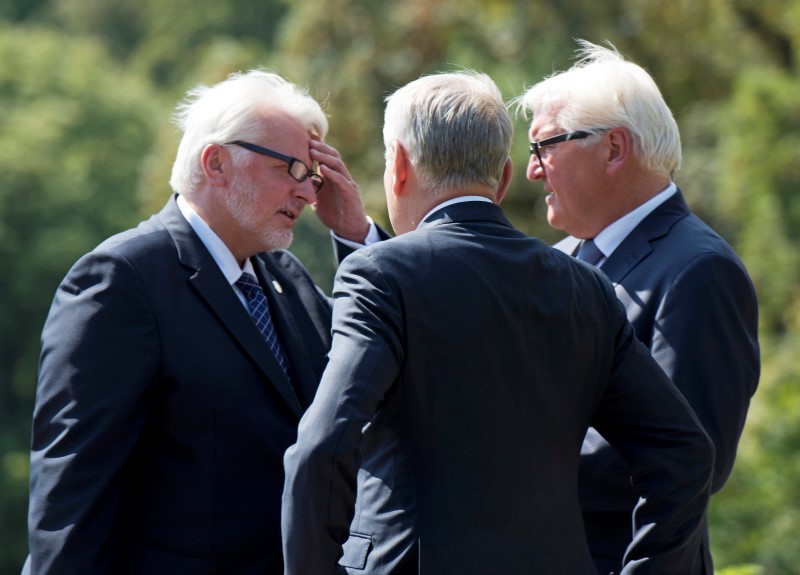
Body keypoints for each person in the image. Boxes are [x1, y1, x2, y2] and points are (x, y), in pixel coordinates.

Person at [281, 70, 715, 575]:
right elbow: (684, 453)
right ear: (505, 178)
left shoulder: (378, 275)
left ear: (398, 165)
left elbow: (321, 448)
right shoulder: (586, 288)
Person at [24, 70, 380, 574]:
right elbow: (73, 494)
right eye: (293, 170)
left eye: (315, 176)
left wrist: (354, 235)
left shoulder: (287, 279)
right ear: (216, 163)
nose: (308, 194)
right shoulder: (123, 279)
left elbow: (379, 371)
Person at [517, 40, 760, 575]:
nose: (532, 172)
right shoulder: (559, 261)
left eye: (544, 148)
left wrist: (504, 451)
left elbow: (691, 458)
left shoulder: (698, 270)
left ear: (613, 148)